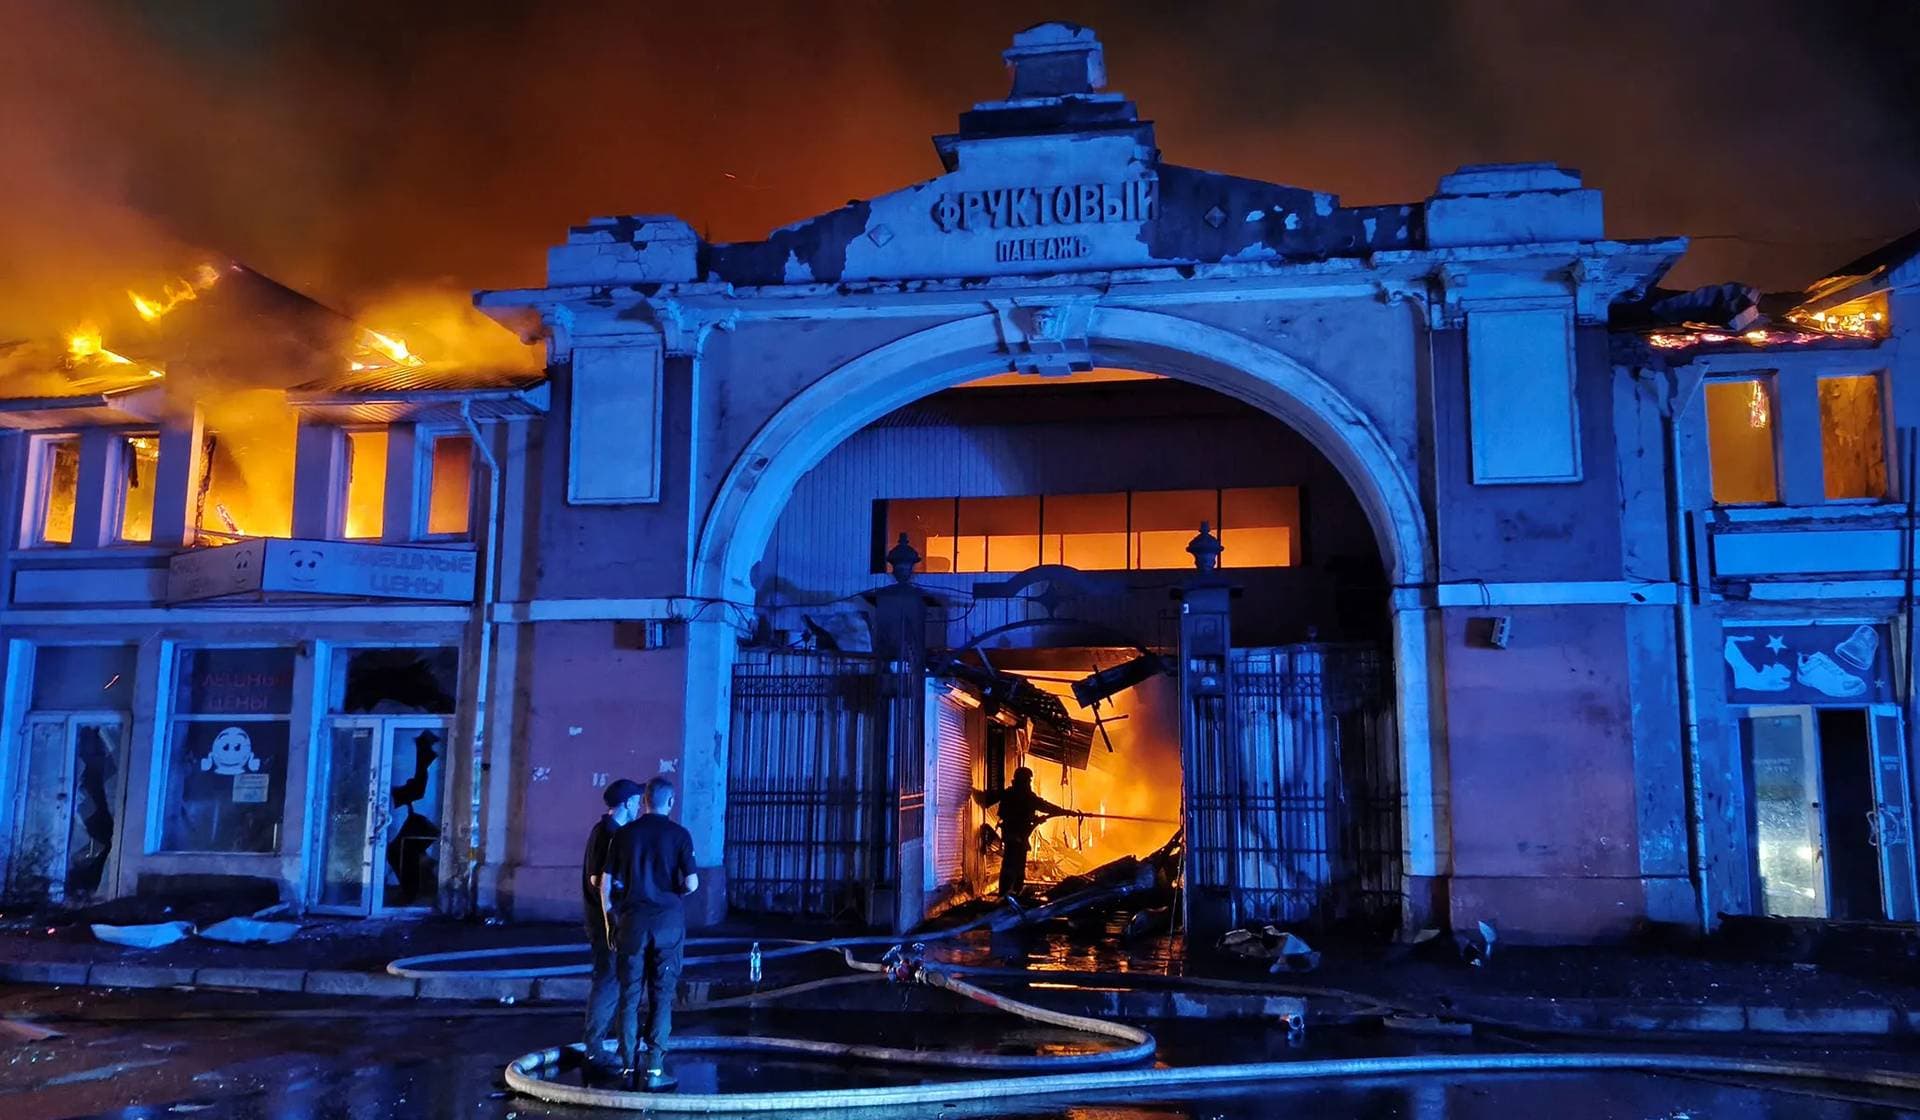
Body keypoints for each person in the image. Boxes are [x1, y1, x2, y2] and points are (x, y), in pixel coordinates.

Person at [604, 776, 699, 1090]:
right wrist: (674, 894)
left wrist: (609, 919)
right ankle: (656, 1068)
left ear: (643, 801)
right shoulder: (680, 835)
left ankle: (627, 1066)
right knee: (662, 996)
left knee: (629, 996)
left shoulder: (624, 835)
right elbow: (691, 884)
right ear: (670, 802)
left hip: (632, 923)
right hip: (668, 925)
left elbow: (606, 882)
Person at [582, 778, 644, 1068]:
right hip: (606, 921)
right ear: (628, 803)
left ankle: (614, 1042)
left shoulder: (609, 831)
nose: (639, 805)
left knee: (616, 980)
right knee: (607, 980)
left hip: (610, 919)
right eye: (636, 801)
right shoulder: (608, 833)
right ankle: (594, 1047)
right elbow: (598, 879)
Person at [980, 766, 1082, 898]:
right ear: (1023, 781)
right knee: (1015, 869)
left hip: (1013, 837)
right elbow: (1045, 806)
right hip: (1017, 837)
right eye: (1028, 780)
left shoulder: (1009, 793)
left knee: (1010, 867)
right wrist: (1065, 812)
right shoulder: (1024, 795)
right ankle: (1011, 896)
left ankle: (1007, 895)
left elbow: (1022, 813)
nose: (1029, 783)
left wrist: (1037, 819)